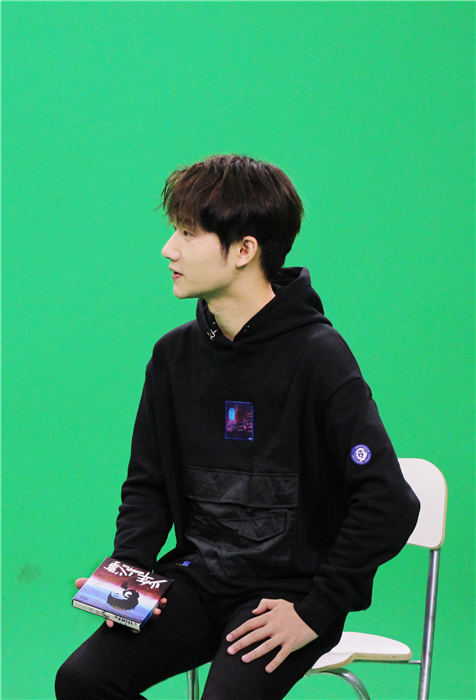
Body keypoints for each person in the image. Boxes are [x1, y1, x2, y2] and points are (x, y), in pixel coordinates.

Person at [56, 154, 420, 700]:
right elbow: (149, 485)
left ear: (244, 250)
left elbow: (389, 502)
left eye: (187, 233)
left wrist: (315, 610)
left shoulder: (318, 356)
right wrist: (124, 578)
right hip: (195, 582)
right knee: (83, 680)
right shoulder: (173, 357)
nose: (168, 249)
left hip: (285, 599)